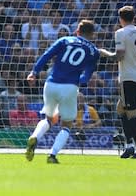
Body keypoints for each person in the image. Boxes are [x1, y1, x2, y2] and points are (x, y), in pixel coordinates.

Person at [25, 20, 100, 164]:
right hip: (69, 87)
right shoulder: (93, 51)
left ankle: (35, 136)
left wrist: (34, 72)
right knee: (66, 125)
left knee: (49, 119)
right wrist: (76, 78)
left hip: (51, 83)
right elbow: (86, 78)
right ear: (92, 34)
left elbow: (46, 55)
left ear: (77, 31)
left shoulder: (64, 40)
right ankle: (52, 155)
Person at [99, 6, 136, 159]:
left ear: (121, 19)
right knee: (121, 109)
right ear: (134, 18)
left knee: (131, 112)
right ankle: (129, 146)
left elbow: (118, 56)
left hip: (128, 77)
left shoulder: (120, 33)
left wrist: (103, 52)